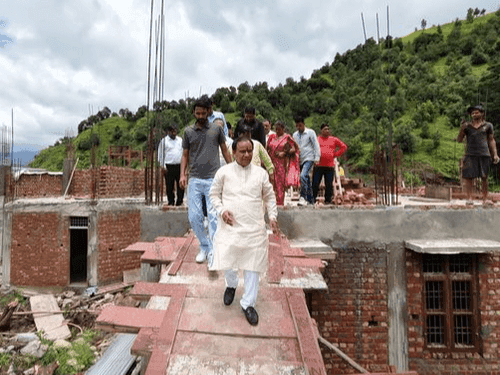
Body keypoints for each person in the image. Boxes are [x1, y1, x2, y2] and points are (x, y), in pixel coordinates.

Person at [209, 136, 279, 326]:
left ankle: (248, 303)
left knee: (252, 266)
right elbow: (214, 195)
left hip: (254, 228)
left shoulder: (260, 174)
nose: (247, 154)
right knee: (229, 259)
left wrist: (272, 216)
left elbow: (270, 196)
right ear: (233, 152)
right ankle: (231, 285)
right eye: (243, 151)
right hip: (230, 226)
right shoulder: (223, 172)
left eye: (250, 150)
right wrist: (222, 211)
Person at [180, 98, 232, 264]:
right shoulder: (188, 132)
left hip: (212, 179)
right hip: (194, 178)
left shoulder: (217, 130)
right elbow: (185, 155)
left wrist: (233, 170)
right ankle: (204, 245)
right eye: (197, 113)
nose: (200, 115)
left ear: (209, 111)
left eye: (203, 112)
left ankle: (212, 252)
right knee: (194, 217)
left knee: (213, 217)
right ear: (194, 113)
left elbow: (224, 150)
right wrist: (182, 175)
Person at [457, 104, 499, 204]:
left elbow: (491, 140)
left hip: (484, 154)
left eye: (476, 112)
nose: (474, 114)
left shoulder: (488, 126)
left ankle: (485, 199)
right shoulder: (467, 126)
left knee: (484, 177)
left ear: (482, 113)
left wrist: (495, 154)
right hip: (470, 154)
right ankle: (469, 199)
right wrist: (462, 129)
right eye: (472, 113)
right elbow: (459, 140)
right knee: (468, 177)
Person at [313, 123, 348, 204]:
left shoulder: (334, 139)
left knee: (329, 184)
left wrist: (335, 154)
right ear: (321, 130)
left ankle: (328, 201)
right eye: (325, 129)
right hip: (318, 165)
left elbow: (343, 147)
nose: (327, 131)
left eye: (328, 129)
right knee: (315, 183)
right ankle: (312, 199)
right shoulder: (317, 139)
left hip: (329, 165)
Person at [267, 121, 300, 206]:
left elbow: (295, 148)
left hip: (281, 164)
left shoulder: (287, 137)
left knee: (279, 184)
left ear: (283, 129)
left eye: (279, 130)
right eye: (276, 129)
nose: (277, 131)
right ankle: (270, 204)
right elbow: (266, 148)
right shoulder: (272, 137)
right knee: (270, 184)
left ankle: (279, 204)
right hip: (271, 162)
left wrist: (285, 153)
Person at [293, 116, 321, 206]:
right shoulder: (295, 135)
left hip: (309, 158)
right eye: (297, 126)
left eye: (300, 125)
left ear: (304, 124)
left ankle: (303, 197)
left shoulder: (310, 132)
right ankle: (310, 200)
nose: (299, 127)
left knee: (303, 175)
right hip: (300, 159)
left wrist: (317, 158)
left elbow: (316, 145)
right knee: (306, 179)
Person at [158, 125, 185, 206]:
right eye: (172, 131)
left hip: (179, 165)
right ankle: (171, 201)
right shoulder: (164, 141)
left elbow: (184, 152)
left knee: (180, 185)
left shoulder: (180, 140)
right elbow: (160, 154)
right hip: (169, 166)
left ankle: (179, 201)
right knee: (169, 185)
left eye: (175, 131)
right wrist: (162, 166)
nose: (174, 133)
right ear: (169, 131)